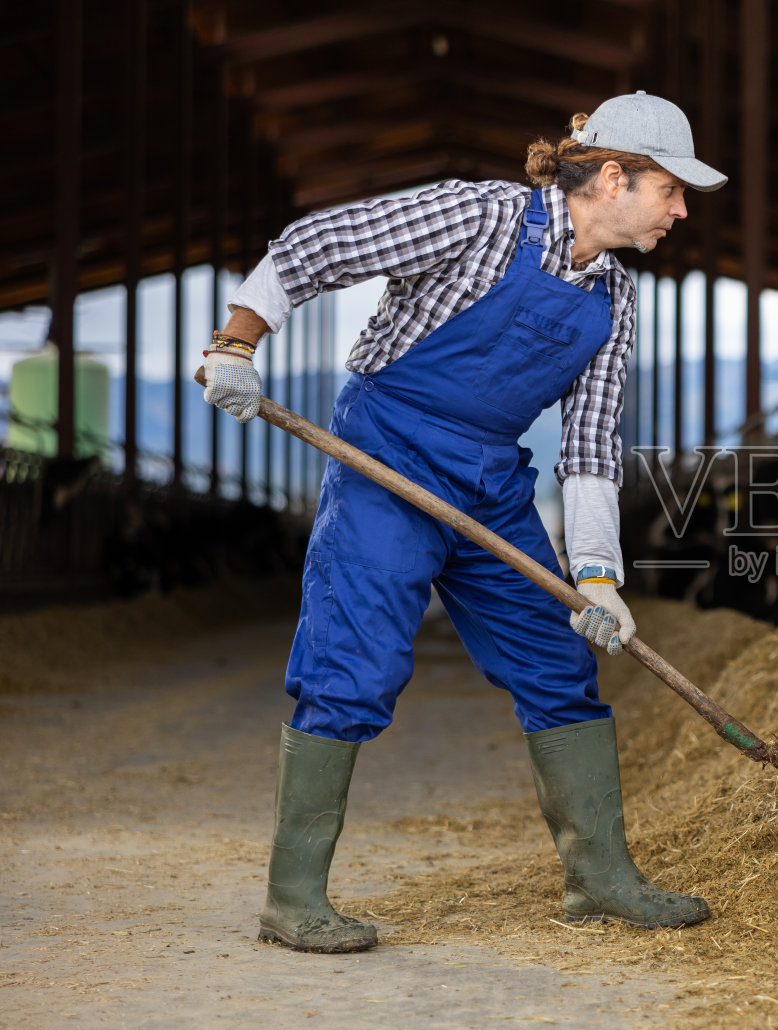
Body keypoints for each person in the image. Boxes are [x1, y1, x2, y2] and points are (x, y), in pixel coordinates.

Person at [202, 92, 726, 953]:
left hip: (489, 481)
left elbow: (591, 445)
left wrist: (596, 577)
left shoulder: (617, 299)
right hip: (387, 457)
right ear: (610, 176)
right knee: (353, 663)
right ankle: (293, 897)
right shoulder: (478, 217)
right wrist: (237, 344)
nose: (680, 210)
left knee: (557, 664)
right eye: (670, 189)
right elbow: (316, 247)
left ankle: (600, 879)